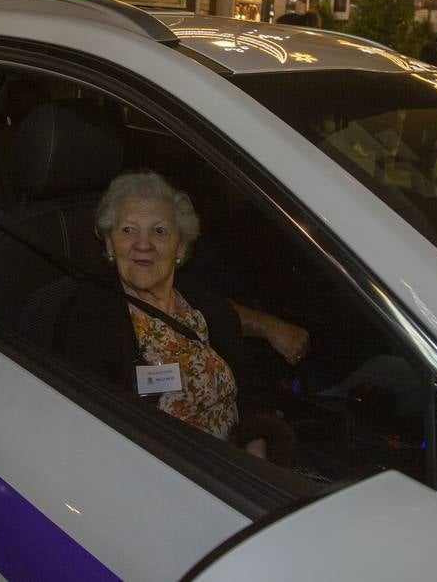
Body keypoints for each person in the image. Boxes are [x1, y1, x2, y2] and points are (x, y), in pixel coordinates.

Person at [54, 171, 303, 462]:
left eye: (159, 231)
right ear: (110, 245)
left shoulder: (207, 307)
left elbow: (250, 389)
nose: (142, 244)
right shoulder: (88, 322)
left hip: (238, 467)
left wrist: (257, 444)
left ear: (181, 247)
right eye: (127, 230)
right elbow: (95, 438)